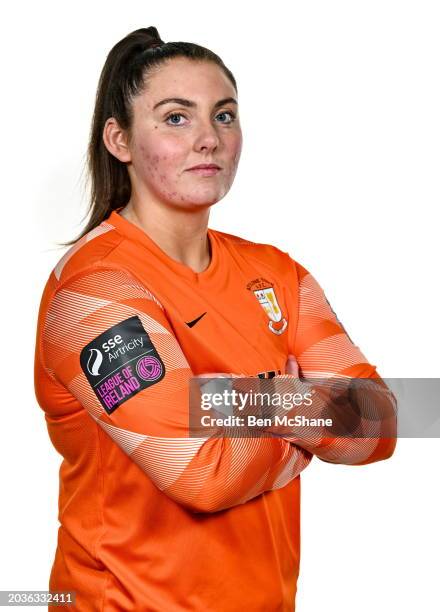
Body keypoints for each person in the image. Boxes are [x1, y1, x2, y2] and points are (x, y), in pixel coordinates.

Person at [34, 27, 397, 611]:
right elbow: (201, 475)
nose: (208, 138)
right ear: (119, 140)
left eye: (224, 115)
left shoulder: (275, 273)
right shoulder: (95, 288)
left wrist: (228, 400)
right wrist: (297, 407)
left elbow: (379, 423)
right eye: (176, 118)